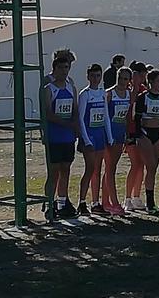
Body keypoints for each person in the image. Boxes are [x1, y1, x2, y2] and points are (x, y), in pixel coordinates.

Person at [42, 57, 79, 219]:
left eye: (67, 67)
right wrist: (66, 123)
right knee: (53, 172)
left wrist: (75, 126)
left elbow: (75, 109)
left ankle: (63, 202)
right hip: (54, 136)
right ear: (55, 69)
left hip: (68, 137)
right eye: (62, 67)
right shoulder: (49, 89)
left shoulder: (71, 87)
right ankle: (49, 204)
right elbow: (48, 113)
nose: (65, 71)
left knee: (66, 169)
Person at [76, 64, 112, 215]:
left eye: (98, 76)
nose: (96, 79)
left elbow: (105, 117)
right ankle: (82, 202)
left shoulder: (102, 93)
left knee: (97, 169)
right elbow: (80, 118)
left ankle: (95, 202)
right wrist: (86, 140)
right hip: (89, 136)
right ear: (88, 76)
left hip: (100, 136)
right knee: (89, 169)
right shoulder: (85, 94)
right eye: (93, 76)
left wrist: (109, 137)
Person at [132, 69, 159, 215]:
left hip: (157, 134)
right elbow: (137, 118)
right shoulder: (143, 97)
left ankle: (151, 202)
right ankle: (149, 202)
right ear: (151, 81)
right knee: (150, 166)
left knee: (153, 169)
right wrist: (138, 135)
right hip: (145, 134)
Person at [104, 67, 132, 215]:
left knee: (111, 167)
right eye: (120, 78)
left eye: (125, 79)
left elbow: (127, 116)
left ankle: (106, 202)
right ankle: (114, 203)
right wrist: (109, 136)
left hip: (121, 133)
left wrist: (127, 134)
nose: (122, 82)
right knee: (110, 169)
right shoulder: (109, 93)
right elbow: (106, 116)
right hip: (110, 134)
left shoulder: (128, 93)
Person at [124, 61, 149, 211]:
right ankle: (127, 198)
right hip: (131, 129)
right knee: (135, 163)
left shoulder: (144, 89)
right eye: (140, 74)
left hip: (142, 129)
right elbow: (130, 104)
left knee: (141, 164)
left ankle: (136, 196)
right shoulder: (129, 90)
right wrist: (134, 86)